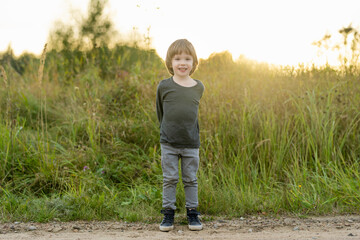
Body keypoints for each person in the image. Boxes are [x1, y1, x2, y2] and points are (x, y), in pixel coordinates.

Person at [156, 39, 205, 232]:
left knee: (190, 179)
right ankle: (168, 214)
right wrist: (165, 132)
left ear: (193, 63)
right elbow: (160, 113)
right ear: (170, 62)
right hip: (168, 142)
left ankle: (192, 213)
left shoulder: (198, 87)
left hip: (191, 143)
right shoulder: (164, 86)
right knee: (169, 178)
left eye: (187, 58)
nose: (182, 63)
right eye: (177, 59)